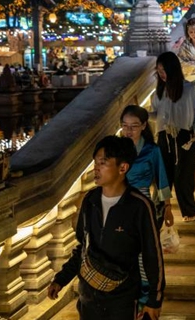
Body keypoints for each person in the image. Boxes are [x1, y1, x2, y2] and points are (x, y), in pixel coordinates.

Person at [48, 136, 165, 320]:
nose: (96, 168)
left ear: (123, 168)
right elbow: (83, 248)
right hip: (88, 298)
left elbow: (152, 254)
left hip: (122, 300)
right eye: (95, 163)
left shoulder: (139, 206)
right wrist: (61, 279)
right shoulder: (90, 201)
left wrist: (154, 300)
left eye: (103, 163)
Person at [151, 52, 195, 222]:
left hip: (184, 137)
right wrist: (144, 115)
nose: (162, 75)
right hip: (163, 137)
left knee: (184, 176)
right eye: (159, 71)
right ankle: (158, 212)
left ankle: (189, 210)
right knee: (162, 175)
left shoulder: (188, 89)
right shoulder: (158, 92)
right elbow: (156, 114)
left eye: (165, 70)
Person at [120, 105, 173, 227]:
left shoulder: (152, 150)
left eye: (134, 126)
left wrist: (167, 207)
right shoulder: (115, 150)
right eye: (124, 126)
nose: (128, 131)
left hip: (142, 201)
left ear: (143, 126)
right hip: (118, 200)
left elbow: (161, 179)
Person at [177, 17, 195, 84]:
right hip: (189, 79)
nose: (194, 34)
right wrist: (192, 65)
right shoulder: (184, 46)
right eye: (191, 32)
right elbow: (180, 61)